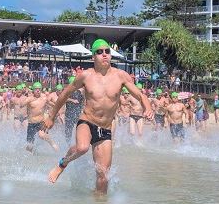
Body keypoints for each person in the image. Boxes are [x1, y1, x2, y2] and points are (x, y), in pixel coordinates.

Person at [42, 39, 152, 194]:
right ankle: (62, 164)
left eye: (107, 51)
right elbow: (65, 93)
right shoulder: (85, 76)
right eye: (99, 52)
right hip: (87, 121)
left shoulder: (121, 76)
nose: (104, 54)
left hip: (105, 128)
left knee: (103, 175)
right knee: (82, 147)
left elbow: (139, 94)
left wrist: (147, 107)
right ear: (93, 56)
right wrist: (51, 117)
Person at [21, 86, 60, 153]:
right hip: (31, 123)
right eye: (36, 89)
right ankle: (30, 156)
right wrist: (26, 99)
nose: (38, 90)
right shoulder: (30, 99)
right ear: (33, 90)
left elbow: (51, 104)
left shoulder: (44, 98)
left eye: (39, 89)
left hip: (40, 122)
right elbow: (21, 105)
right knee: (30, 145)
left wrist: (56, 109)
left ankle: (53, 144)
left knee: (41, 135)